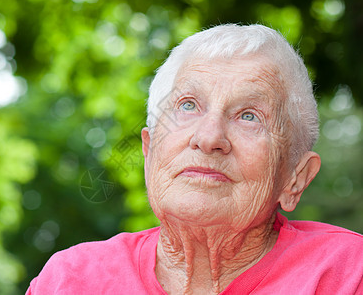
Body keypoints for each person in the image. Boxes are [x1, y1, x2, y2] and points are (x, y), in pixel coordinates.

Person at [26, 24, 363, 294]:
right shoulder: (71, 281)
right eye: (188, 105)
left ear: (295, 178)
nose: (209, 137)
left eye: (249, 116)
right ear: (149, 150)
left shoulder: (347, 275)